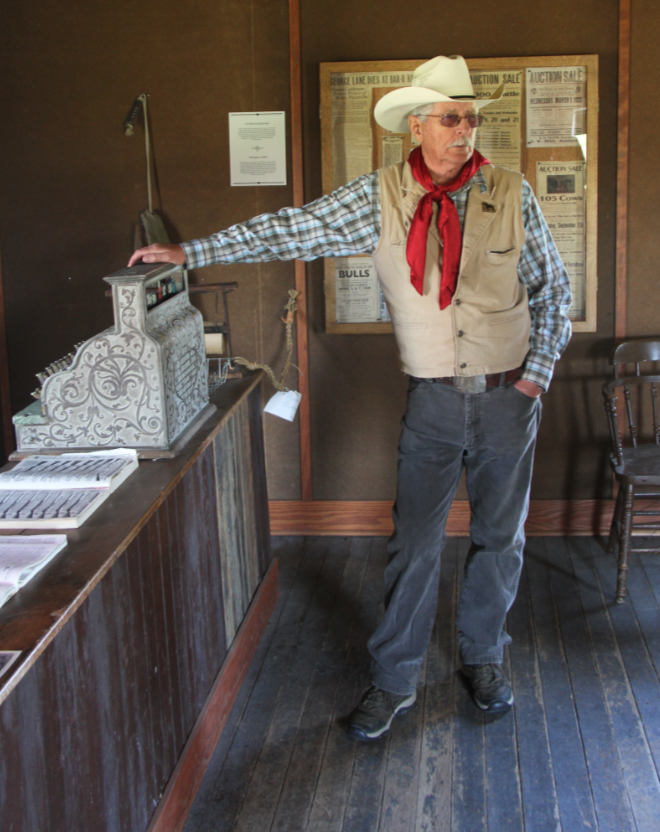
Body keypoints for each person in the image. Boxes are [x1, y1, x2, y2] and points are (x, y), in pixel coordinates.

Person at [129, 55, 572, 741]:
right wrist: (193, 252)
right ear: (417, 126)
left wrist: (533, 377)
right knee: (413, 546)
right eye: (450, 118)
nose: (464, 130)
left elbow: (554, 293)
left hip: (509, 396)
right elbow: (291, 227)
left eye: (471, 118)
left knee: (499, 540)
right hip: (432, 401)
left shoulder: (513, 192)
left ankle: (486, 658)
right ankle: (393, 680)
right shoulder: (380, 196)